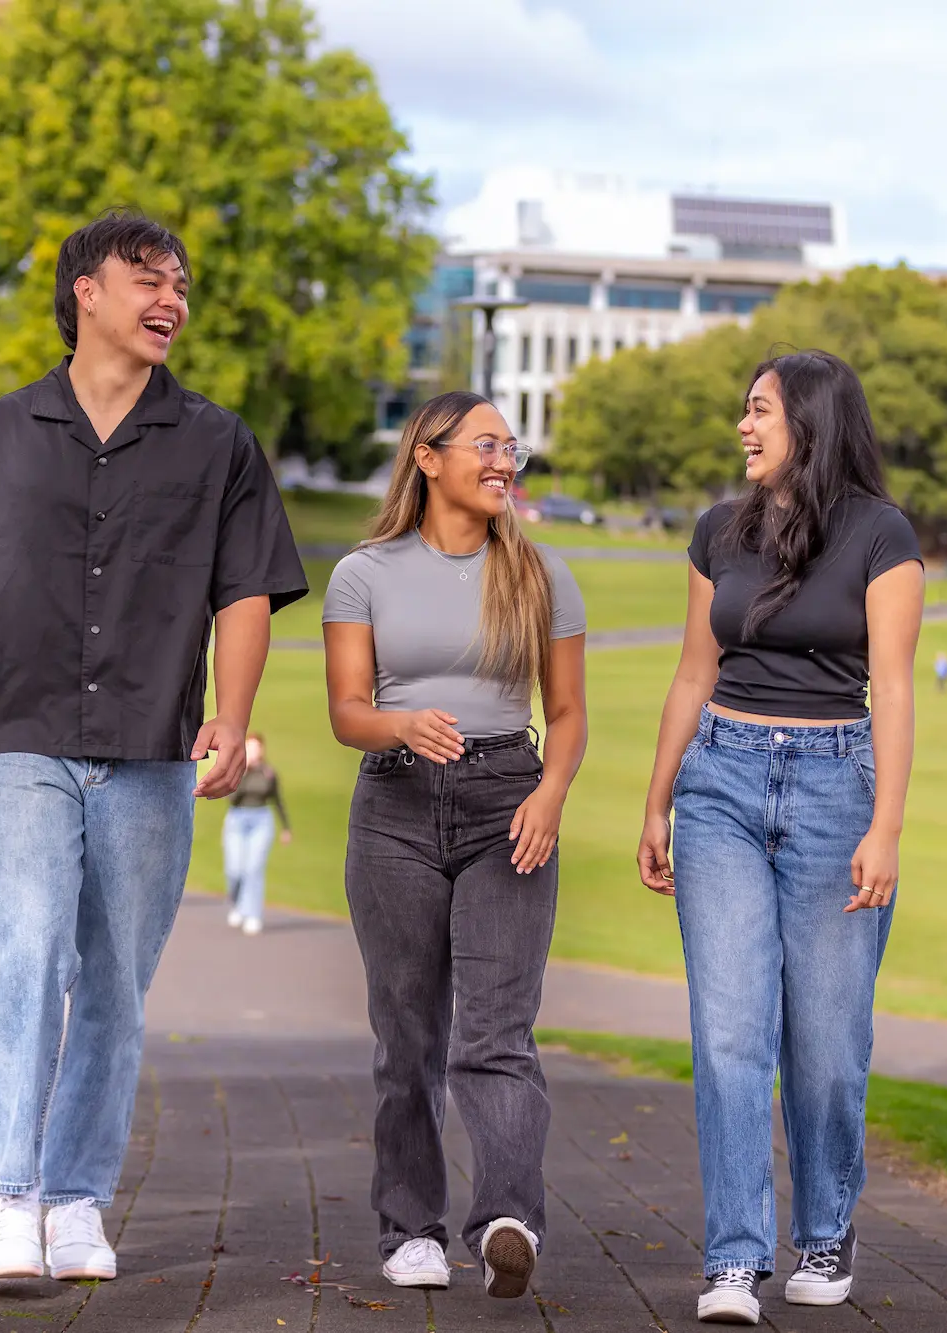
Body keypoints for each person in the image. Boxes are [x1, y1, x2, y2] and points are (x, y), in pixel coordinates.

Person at [0, 209, 307, 1286]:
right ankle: (13, 1196)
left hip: (151, 746)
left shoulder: (218, 443)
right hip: (19, 734)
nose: (171, 298)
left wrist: (230, 715)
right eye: (148, 276)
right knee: (22, 949)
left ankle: (76, 1198)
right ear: (84, 293)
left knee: (112, 981)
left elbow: (244, 592)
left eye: (181, 282)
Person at [636, 351, 923, 1324]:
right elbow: (689, 671)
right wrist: (655, 798)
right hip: (718, 781)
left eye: (756, 409)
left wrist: (884, 826)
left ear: (808, 418)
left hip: (836, 788)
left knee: (829, 1044)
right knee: (727, 1032)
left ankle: (825, 1229)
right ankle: (732, 1258)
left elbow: (892, 686)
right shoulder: (718, 529)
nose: (741, 426)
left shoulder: (882, 535)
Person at [322, 391, 588, 1303]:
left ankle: (509, 1219)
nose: (505, 458)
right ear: (428, 457)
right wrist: (398, 723)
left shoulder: (543, 575)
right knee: (408, 1034)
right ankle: (411, 1230)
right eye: (486, 443)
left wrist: (551, 792)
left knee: (496, 1031)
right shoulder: (363, 572)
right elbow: (347, 713)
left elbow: (568, 713)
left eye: (511, 445)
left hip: (508, 804)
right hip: (394, 807)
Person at [223, 733, 291, 935]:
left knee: (253, 868)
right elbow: (232, 799)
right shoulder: (237, 771)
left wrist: (286, 828)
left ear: (262, 750)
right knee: (234, 869)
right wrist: (244, 772)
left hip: (261, 820)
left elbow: (278, 801)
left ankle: (253, 914)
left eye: (256, 748)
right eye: (249, 747)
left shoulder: (269, 773)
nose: (253, 752)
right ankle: (237, 905)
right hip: (237, 819)